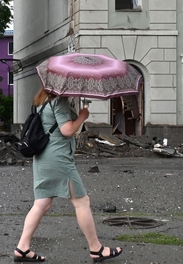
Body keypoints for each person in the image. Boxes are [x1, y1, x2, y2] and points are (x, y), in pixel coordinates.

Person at [13, 88, 123, 262]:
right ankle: (96, 249)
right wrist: (82, 116)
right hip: (58, 159)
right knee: (82, 202)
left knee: (42, 203)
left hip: (42, 158)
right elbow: (67, 130)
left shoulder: (42, 101)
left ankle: (22, 247)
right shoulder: (60, 101)